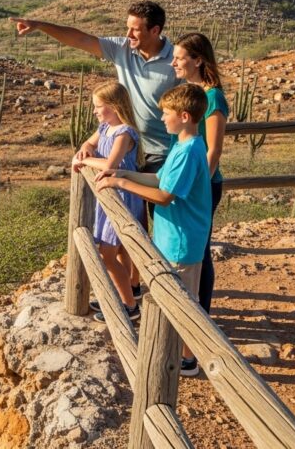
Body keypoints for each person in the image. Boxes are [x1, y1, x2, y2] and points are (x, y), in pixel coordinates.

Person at [12, 1, 181, 296]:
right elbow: (80, 39)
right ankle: (135, 286)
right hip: (129, 150)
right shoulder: (122, 49)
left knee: (162, 224)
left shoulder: (174, 63)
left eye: (135, 29)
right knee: (133, 224)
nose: (128, 33)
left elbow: (194, 98)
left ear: (155, 30)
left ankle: (172, 291)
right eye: (127, 27)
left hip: (161, 153)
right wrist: (40, 25)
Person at [94, 83, 212, 377]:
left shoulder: (188, 151)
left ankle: (188, 358)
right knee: (174, 297)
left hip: (182, 240)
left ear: (184, 116)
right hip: (174, 235)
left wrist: (121, 183)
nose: (162, 119)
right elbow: (159, 179)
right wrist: (122, 172)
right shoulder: (183, 145)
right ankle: (181, 354)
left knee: (183, 302)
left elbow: (164, 195)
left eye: (166, 113)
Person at [71, 82, 146, 323]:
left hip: (122, 196)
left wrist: (83, 163)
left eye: (98, 106)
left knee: (107, 253)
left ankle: (129, 305)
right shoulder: (105, 127)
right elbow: (90, 144)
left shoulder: (124, 133)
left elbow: (111, 165)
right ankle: (129, 290)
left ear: (114, 107)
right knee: (120, 249)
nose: (94, 111)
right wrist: (84, 149)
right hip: (109, 195)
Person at [171, 33, 228, 315]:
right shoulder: (191, 93)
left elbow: (214, 150)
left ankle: (201, 315)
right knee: (193, 249)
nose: (173, 63)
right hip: (189, 183)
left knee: (200, 250)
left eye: (180, 58)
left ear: (198, 60)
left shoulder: (212, 96)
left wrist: (196, 187)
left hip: (202, 185)